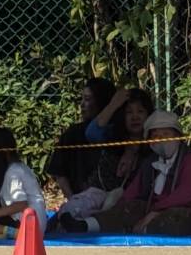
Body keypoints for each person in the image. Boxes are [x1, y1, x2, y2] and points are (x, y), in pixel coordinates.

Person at [86, 109, 191, 236]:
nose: (161, 139)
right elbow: (133, 191)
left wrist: (155, 211)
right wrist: (119, 208)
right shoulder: (150, 162)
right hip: (151, 209)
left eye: (166, 134)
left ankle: (145, 230)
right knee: (130, 207)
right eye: (156, 136)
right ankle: (87, 225)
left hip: (185, 211)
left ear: (178, 137)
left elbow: (187, 195)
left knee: (178, 218)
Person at [51, 87, 155, 229]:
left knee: (117, 207)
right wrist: (114, 104)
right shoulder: (114, 137)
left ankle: (84, 226)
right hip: (98, 194)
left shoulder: (153, 144)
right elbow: (92, 133)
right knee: (77, 205)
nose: (135, 117)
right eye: (129, 112)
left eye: (140, 112)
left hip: (126, 201)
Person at [46, 77, 116, 200]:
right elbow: (59, 172)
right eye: (82, 98)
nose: (82, 104)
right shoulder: (73, 133)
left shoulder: (116, 131)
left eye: (88, 99)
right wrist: (73, 200)